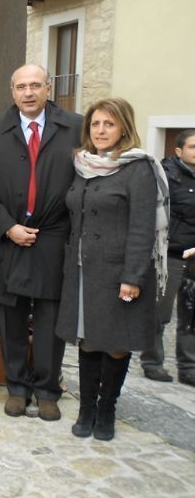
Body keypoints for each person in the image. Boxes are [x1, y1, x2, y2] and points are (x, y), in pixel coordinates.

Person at [0, 64, 83, 421]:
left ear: (49, 88)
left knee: (52, 320)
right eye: (21, 86)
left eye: (36, 85)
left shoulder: (75, 127)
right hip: (10, 239)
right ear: (12, 92)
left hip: (55, 237)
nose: (29, 92)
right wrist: (8, 227)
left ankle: (48, 390)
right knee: (13, 317)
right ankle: (17, 388)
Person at [56, 98, 169, 441]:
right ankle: (86, 407)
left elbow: (142, 227)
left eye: (109, 124)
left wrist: (133, 277)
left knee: (116, 343)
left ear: (123, 128)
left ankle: (107, 408)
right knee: (88, 341)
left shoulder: (138, 168)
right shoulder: (82, 165)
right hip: (81, 270)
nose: (101, 130)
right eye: (95, 124)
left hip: (119, 273)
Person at [141, 129, 195, 386]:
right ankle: (152, 362)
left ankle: (188, 367)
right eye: (193, 147)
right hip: (170, 253)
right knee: (160, 312)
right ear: (179, 151)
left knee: (190, 313)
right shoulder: (166, 175)